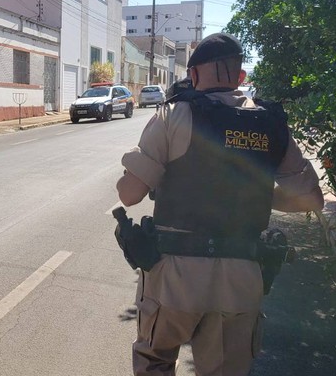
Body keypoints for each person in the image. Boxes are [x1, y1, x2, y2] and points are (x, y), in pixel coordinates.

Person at [116, 32, 324, 376]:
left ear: (193, 75)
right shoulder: (271, 123)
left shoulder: (173, 115)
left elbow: (130, 194)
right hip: (241, 279)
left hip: (175, 278)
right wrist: (255, 193)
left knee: (155, 362)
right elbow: (310, 199)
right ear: (240, 77)